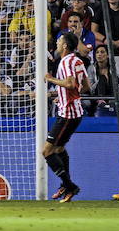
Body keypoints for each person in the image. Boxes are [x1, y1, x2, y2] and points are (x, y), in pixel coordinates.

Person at [43, 32, 89, 203]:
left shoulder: (66, 61)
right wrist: (62, 96)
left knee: (47, 151)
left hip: (68, 114)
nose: (57, 41)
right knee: (59, 149)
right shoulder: (78, 61)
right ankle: (65, 184)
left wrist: (51, 79)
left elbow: (70, 84)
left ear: (65, 45)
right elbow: (85, 86)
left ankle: (70, 186)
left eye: (59, 40)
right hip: (74, 112)